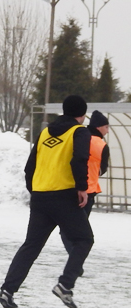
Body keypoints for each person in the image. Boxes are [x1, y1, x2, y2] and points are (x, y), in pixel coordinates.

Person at [0, 95, 94, 308]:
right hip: (64, 196)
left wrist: (35, 191)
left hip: (41, 196)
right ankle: (65, 285)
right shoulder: (79, 131)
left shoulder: (45, 132)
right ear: (82, 114)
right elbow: (79, 159)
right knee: (84, 239)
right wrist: (82, 187)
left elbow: (29, 167)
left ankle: (7, 290)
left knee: (31, 246)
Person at [59, 109, 110, 257]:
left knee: (66, 228)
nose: (107, 131)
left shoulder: (78, 136)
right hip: (89, 190)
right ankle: (76, 259)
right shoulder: (101, 145)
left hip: (69, 187)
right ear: (99, 127)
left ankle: (74, 258)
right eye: (106, 127)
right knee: (80, 230)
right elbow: (102, 169)